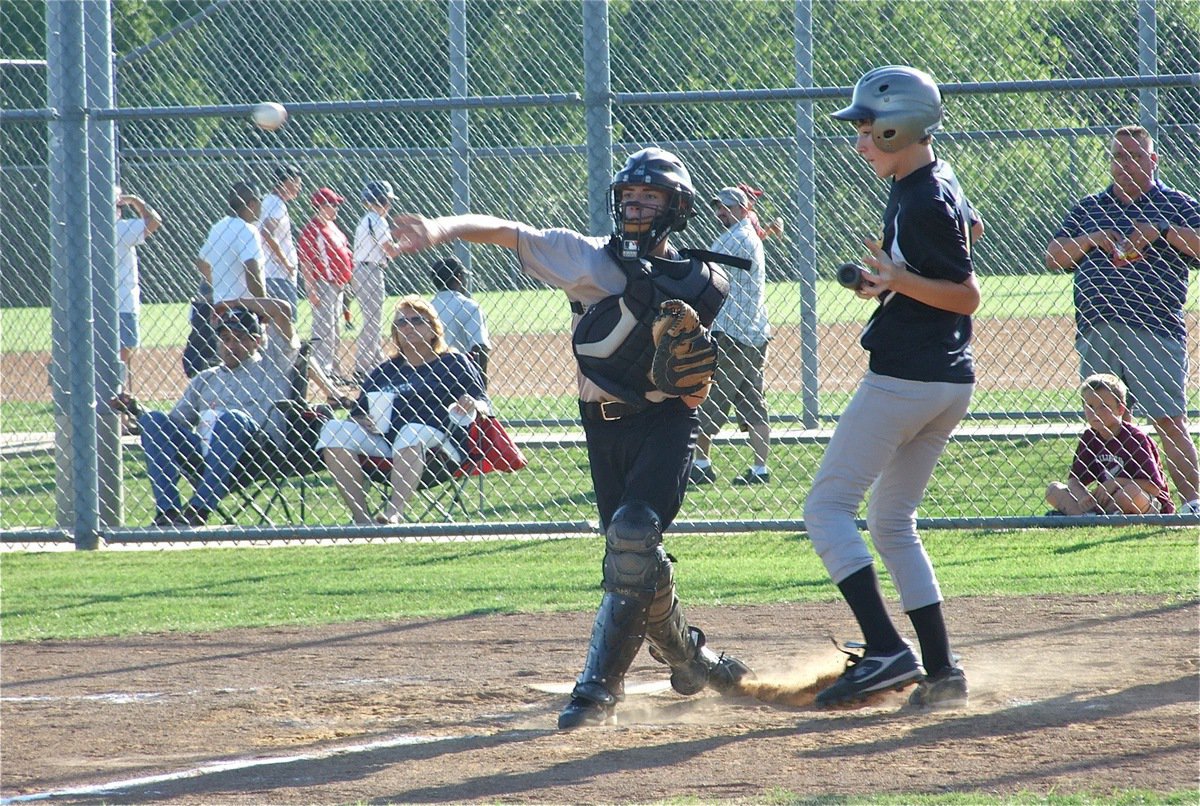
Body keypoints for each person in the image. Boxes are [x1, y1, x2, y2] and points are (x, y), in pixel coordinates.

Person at [390, 146, 754, 730]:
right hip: (601, 424)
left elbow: (692, 387)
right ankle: (690, 657)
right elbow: (508, 232)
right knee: (631, 553)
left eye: (650, 196)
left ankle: (597, 693)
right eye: (629, 196)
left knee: (634, 535)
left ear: (675, 207)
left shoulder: (698, 280)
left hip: (664, 423)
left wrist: (694, 385)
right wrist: (438, 228)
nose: (636, 206)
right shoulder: (585, 258)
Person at [805, 65, 980, 710]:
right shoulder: (931, 182)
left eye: (867, 131)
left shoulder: (920, 197)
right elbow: (971, 232)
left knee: (826, 510)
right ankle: (942, 670)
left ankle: (885, 650)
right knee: (891, 521)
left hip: (905, 378)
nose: (859, 143)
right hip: (946, 381)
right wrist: (893, 278)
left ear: (898, 127)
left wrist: (903, 283)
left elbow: (966, 294)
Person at [1045, 125, 1200, 517]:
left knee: (1169, 419)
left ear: (1153, 161)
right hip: (1097, 329)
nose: (1124, 163)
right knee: (1110, 424)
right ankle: (1123, 504)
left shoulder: (1175, 205)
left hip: (1154, 329)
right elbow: (1054, 257)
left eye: (1133, 155)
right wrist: (1093, 240)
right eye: (1117, 156)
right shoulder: (1090, 208)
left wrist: (1160, 232)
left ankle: (1193, 504)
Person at [316, 296, 486, 525]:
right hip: (386, 442)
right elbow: (357, 412)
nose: (409, 327)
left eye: (417, 321)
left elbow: (483, 401)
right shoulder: (384, 371)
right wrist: (359, 420)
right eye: (401, 323)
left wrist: (471, 403)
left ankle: (393, 512)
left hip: (440, 445)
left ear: (433, 329)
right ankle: (362, 519)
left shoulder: (453, 362)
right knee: (333, 430)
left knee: (411, 431)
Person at [139, 298, 298, 527]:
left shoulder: (273, 364)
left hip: (258, 452)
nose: (231, 345)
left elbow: (283, 310)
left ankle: (199, 508)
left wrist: (231, 302)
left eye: (240, 339)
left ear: (256, 341)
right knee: (152, 419)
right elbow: (173, 425)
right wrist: (137, 411)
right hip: (207, 452)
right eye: (225, 339)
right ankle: (169, 512)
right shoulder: (206, 378)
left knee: (230, 419)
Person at [691, 186, 771, 486]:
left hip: (732, 332)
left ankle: (700, 464)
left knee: (708, 395)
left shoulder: (737, 237)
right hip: (755, 331)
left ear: (741, 208)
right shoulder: (747, 234)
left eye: (725, 207)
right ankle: (760, 469)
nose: (720, 211)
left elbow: (705, 270)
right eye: (718, 207)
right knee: (752, 399)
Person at [1046, 374, 1174, 516]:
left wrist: (1116, 483)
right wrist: (1082, 497)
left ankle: (1094, 516)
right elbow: (1074, 481)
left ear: (1120, 409)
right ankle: (1089, 518)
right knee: (1054, 490)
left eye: (1104, 406)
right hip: (1107, 501)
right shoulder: (1090, 437)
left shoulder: (1135, 438)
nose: (1095, 412)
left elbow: (1154, 488)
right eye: (1090, 406)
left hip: (1144, 500)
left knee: (1128, 493)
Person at [112, 186, 162, 406]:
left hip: (100, 303)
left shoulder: (87, 229)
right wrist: (135, 201)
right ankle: (119, 416)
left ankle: (119, 411)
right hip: (122, 301)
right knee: (122, 357)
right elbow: (154, 221)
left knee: (115, 357)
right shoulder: (118, 229)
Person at [299, 186, 354, 381]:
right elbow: (305, 261)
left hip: (338, 285)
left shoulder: (332, 227)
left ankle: (334, 370)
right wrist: (311, 289)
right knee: (325, 329)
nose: (336, 208)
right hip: (323, 284)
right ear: (320, 206)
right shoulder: (312, 229)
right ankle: (323, 371)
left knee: (335, 330)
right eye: (333, 204)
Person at [351, 180, 402, 380]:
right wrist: (405, 244)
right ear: (380, 201)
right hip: (369, 271)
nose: (389, 205)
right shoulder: (377, 220)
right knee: (372, 320)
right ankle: (363, 366)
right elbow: (389, 248)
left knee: (373, 319)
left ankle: (374, 361)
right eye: (387, 201)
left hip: (367, 270)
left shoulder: (369, 219)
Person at [197, 181, 267, 306]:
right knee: (283, 309)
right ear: (252, 204)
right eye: (260, 200)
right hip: (243, 306)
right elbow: (252, 273)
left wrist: (218, 287)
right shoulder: (248, 230)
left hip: (220, 303)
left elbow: (202, 263)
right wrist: (263, 306)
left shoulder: (218, 227)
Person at [429, 256, 492, 387]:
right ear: (459, 278)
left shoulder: (427, 308)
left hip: (431, 378)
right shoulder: (470, 307)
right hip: (462, 378)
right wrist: (481, 386)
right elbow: (479, 347)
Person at [260, 165, 303, 321]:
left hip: (270, 273)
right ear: (286, 183)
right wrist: (286, 262)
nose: (299, 187)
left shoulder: (267, 200)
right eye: (297, 183)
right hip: (278, 274)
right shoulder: (277, 204)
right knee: (284, 325)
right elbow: (266, 232)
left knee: (272, 326)